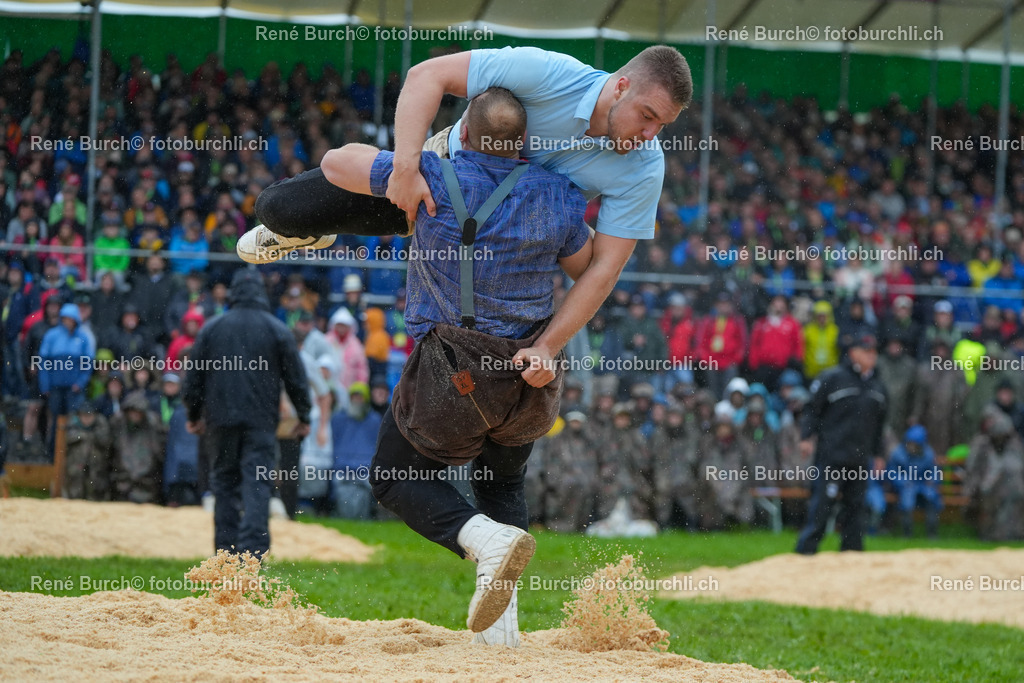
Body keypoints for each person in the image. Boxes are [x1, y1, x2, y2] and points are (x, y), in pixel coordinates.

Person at [320, 87, 593, 646]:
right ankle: (502, 635)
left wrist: (406, 166)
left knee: (395, 477)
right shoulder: (560, 196)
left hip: (454, 373)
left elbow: (334, 162)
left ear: (462, 134)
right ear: (524, 143)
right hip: (528, 375)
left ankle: (478, 537)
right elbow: (589, 270)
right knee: (502, 484)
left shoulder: (435, 176)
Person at [241, 45, 691, 382]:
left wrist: (548, 347)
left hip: (511, 245)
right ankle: (313, 231)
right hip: (439, 193)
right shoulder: (548, 72)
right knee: (278, 208)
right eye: (646, 116)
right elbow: (426, 75)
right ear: (622, 85)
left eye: (662, 126)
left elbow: (605, 270)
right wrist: (404, 168)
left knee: (591, 264)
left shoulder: (646, 164)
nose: (650, 134)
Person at [182, 269, 312, 557]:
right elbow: (296, 379)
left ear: (233, 293)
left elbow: (193, 379)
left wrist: (193, 416)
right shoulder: (277, 329)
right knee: (258, 482)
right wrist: (304, 416)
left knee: (224, 483)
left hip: (221, 419)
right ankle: (254, 552)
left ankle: (225, 553)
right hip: (261, 421)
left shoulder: (212, 329)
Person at [795, 333, 888, 554]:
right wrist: (806, 437)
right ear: (853, 353)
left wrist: (879, 454)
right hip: (832, 456)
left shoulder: (878, 387)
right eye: (867, 351)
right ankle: (806, 553)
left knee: (856, 508)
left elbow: (879, 426)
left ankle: (852, 554)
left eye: (874, 352)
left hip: (859, 458)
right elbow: (812, 410)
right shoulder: (832, 378)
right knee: (821, 506)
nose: (872, 356)